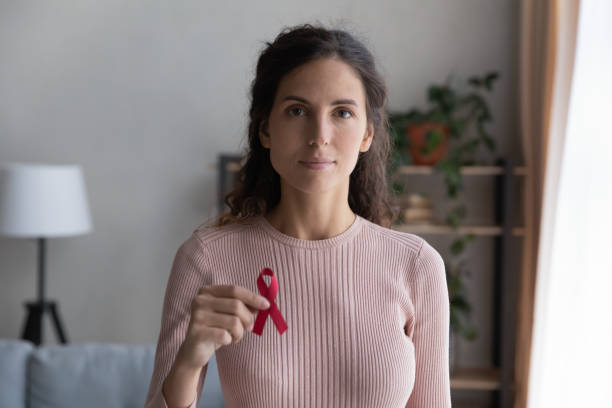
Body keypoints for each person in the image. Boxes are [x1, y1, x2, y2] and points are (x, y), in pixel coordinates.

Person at [144, 23, 451, 408]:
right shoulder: (206, 258)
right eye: (297, 110)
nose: (319, 134)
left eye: (342, 112)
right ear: (266, 129)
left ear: (367, 135)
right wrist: (189, 361)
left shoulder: (417, 265)